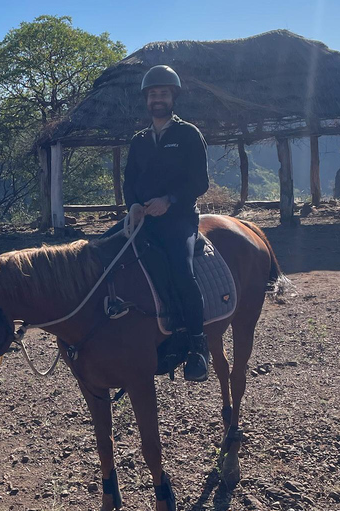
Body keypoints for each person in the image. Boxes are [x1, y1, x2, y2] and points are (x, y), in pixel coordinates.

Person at [123, 65, 210, 381]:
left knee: (181, 270)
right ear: (146, 100)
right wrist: (132, 204)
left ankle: (198, 346)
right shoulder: (139, 140)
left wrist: (169, 200)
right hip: (143, 220)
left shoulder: (188, 134)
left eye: (163, 93)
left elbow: (199, 181)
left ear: (173, 97)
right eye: (152, 94)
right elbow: (129, 180)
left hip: (179, 220)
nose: (157, 99)